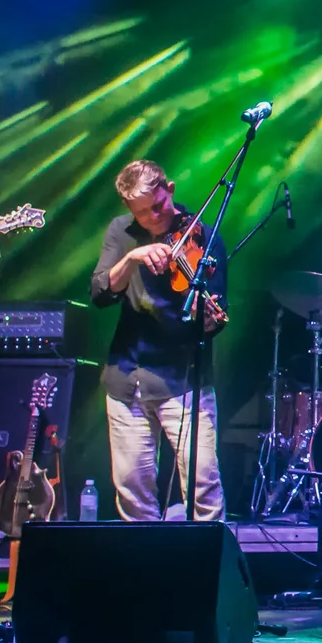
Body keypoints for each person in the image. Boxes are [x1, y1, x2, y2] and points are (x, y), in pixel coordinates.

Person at [92, 160, 228, 521]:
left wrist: (207, 317)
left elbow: (216, 315)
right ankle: (144, 558)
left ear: (169, 189)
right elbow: (101, 293)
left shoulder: (204, 236)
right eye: (142, 212)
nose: (153, 217)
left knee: (203, 483)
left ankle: (206, 555)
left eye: (158, 205)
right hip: (127, 374)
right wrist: (132, 258)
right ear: (128, 208)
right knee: (133, 489)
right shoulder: (121, 231)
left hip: (183, 378)